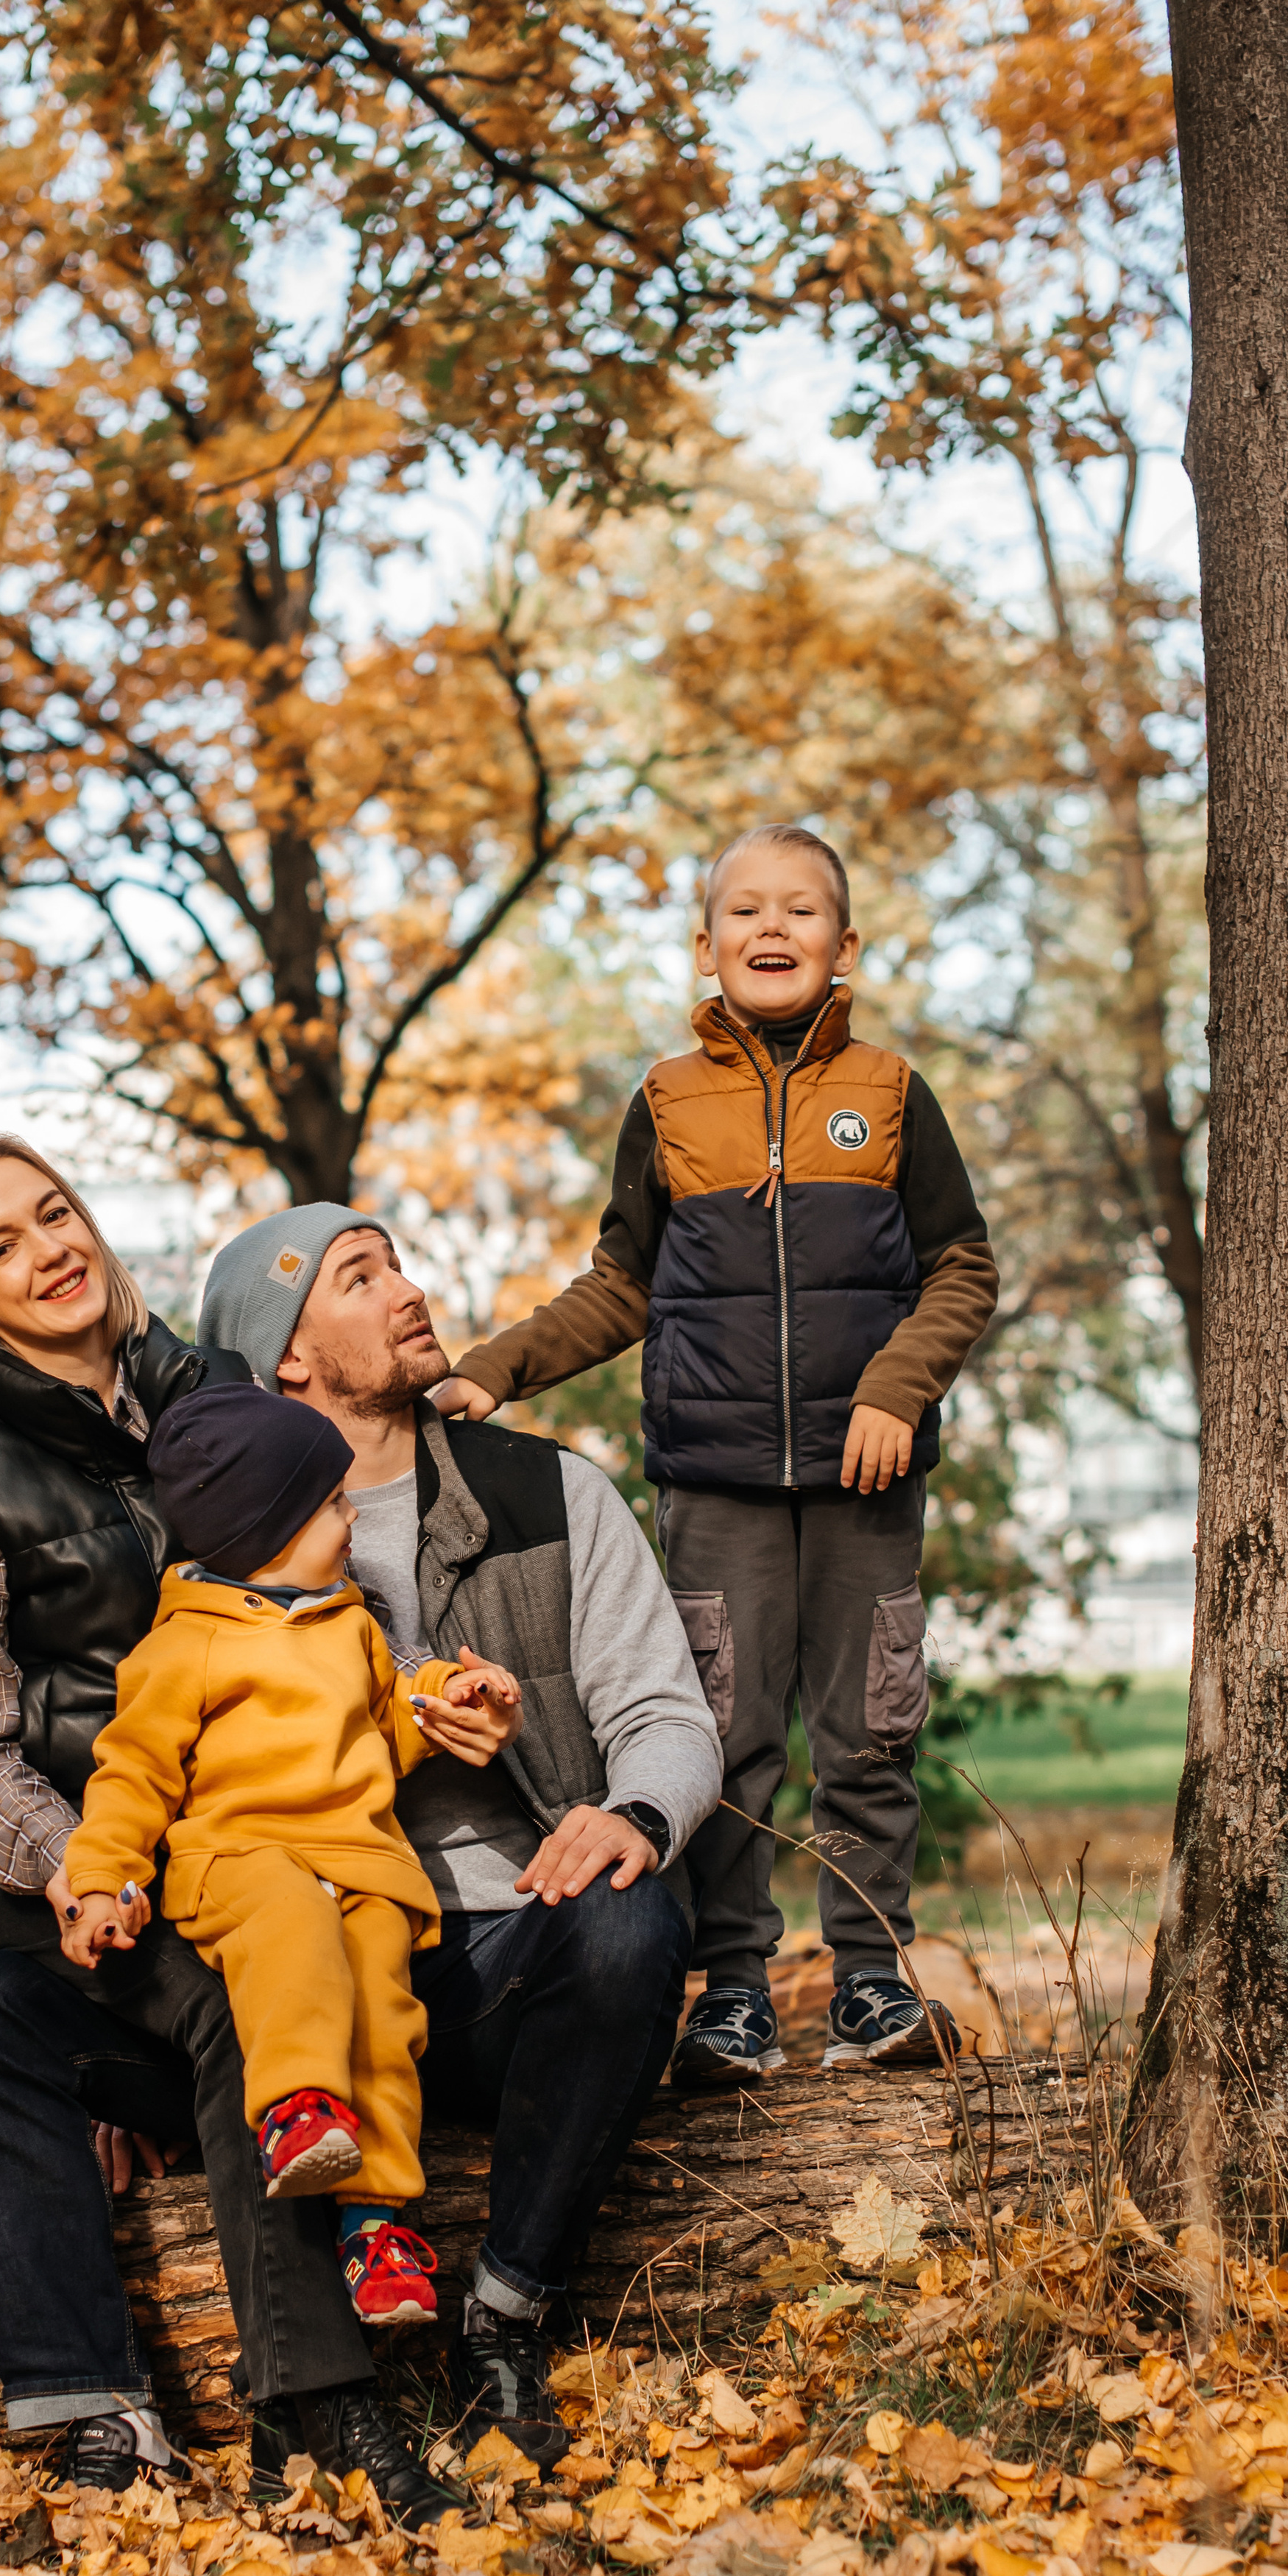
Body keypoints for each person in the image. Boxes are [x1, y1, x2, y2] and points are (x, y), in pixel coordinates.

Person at [0, 1135, 478, 2519]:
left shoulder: (220, 1390)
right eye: (3, 1245)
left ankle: (314, 2405)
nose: (50, 1247)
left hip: (291, 1828)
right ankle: (96, 2404)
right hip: (103, 1864)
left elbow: (345, 1537)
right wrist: (96, 1870)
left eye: (56, 1210)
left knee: (206, 1985)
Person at [435, 822, 1000, 2082]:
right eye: (745, 910)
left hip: (867, 1480)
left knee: (869, 1730)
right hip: (716, 1483)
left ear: (844, 943)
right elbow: (620, 1283)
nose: (772, 928)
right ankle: (734, 1987)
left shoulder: (893, 1091)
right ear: (706, 943)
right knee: (725, 1732)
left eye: (801, 910)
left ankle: (869, 1978)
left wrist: (896, 1389)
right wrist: (493, 1364)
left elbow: (962, 1264)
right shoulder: (667, 1100)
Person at [197, 1207, 722, 2470]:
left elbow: (666, 1713)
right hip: (328, 1985)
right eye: (359, 1277)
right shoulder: (222, 1546)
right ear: (288, 1361)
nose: (408, 1290)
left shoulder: (549, 1493)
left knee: (630, 1911)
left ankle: (505, 2312)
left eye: (399, 1262)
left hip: (507, 1958)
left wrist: (631, 1811)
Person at [58, 1386, 521, 2329]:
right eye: (333, 1504)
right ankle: (297, 2109)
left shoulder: (349, 1623)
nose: (354, 1518)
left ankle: (377, 2225)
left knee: (386, 2021)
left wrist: (449, 1697)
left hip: (361, 1860)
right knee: (292, 1936)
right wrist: (101, 1878)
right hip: (242, 1857)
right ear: (263, 1527)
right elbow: (132, 1772)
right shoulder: (183, 1645)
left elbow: (389, 1720)